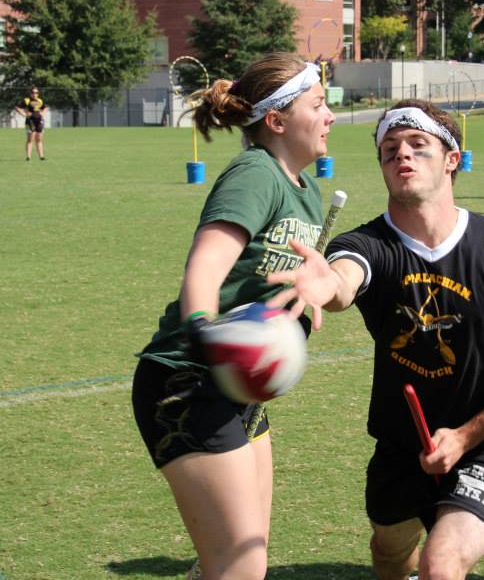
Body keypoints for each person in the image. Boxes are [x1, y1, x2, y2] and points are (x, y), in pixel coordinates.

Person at [267, 99, 484, 580]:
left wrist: (466, 436)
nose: (401, 154)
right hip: (399, 443)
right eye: (389, 150)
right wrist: (323, 283)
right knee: (389, 551)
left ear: (452, 159)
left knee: (441, 562)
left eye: (417, 145)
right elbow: (345, 281)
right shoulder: (365, 246)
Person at [131, 52, 335, 580]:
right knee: (243, 566)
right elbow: (203, 270)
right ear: (277, 121)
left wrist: (305, 308)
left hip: (239, 389)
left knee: (238, 557)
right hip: (189, 380)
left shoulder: (306, 189)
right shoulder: (255, 173)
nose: (331, 116)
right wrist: (207, 335)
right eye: (319, 104)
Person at [17, 87, 47, 161]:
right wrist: (24, 114)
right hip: (30, 121)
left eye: (36, 93)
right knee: (30, 139)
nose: (35, 94)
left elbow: (45, 107)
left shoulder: (40, 100)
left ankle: (41, 157)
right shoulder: (26, 100)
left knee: (39, 139)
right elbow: (18, 107)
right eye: (33, 92)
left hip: (39, 121)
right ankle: (28, 157)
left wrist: (43, 113)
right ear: (30, 93)